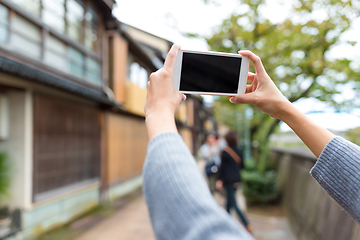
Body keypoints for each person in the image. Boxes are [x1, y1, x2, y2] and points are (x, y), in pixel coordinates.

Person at [143, 45, 360, 240]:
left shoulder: (226, 150)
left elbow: (202, 230)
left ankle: (241, 222)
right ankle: (241, 221)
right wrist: (284, 108)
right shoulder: (230, 148)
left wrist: (159, 114)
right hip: (233, 180)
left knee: (231, 205)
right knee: (231, 204)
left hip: (228, 181)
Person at [216, 132, 252, 232]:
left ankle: (247, 224)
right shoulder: (239, 151)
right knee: (229, 202)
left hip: (228, 180)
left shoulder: (225, 151)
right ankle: (226, 223)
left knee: (233, 204)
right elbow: (243, 165)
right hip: (237, 179)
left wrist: (219, 180)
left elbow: (222, 168)